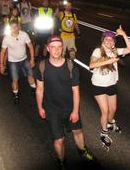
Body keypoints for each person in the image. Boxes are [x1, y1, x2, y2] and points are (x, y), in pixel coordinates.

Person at [35, 35, 94, 169]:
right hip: (52, 109)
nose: (56, 50)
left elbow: (76, 91)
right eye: (53, 47)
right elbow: (39, 89)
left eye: (59, 47)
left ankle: (82, 151)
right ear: (48, 49)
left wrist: (75, 111)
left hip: (69, 107)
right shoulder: (41, 66)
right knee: (59, 140)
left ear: (63, 48)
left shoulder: (71, 66)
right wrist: (40, 108)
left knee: (78, 131)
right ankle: (62, 162)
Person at [89, 26, 130, 151]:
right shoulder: (98, 51)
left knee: (113, 108)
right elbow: (91, 65)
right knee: (105, 110)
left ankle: (110, 123)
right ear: (103, 40)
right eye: (107, 40)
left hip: (111, 84)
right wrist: (109, 61)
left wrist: (123, 34)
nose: (110, 42)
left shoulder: (115, 50)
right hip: (99, 85)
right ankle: (103, 133)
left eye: (112, 40)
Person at [0, 20, 36, 104]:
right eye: (12, 27)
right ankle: (16, 95)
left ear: (18, 26)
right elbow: (2, 52)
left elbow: (30, 46)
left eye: (16, 27)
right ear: (10, 28)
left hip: (24, 59)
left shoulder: (24, 34)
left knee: (30, 75)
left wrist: (32, 59)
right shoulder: (6, 38)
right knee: (15, 79)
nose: (14, 29)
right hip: (13, 62)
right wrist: (1, 65)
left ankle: (34, 90)